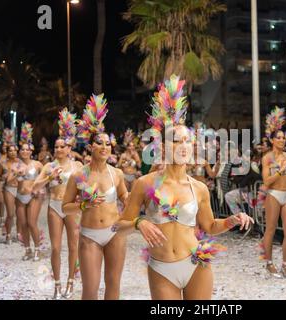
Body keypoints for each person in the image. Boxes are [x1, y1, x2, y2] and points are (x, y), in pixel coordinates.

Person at [115, 75, 253, 300]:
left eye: (187, 141)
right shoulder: (145, 183)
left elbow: (209, 226)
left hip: (196, 262)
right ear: (163, 146)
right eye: (176, 141)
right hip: (162, 268)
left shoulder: (199, 188)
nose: (183, 146)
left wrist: (231, 220)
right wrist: (140, 222)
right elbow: (118, 227)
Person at [62, 94, 129, 300]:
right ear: (91, 147)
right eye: (99, 143)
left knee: (113, 285)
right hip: (90, 235)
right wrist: (83, 204)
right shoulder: (78, 175)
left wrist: (130, 200)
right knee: (90, 290)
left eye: (108, 144)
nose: (104, 147)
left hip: (114, 232)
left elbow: (124, 195)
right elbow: (65, 207)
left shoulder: (116, 173)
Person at [33, 108, 83, 299]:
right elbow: (35, 187)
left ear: (69, 149)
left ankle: (70, 282)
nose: (59, 149)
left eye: (62, 146)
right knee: (55, 248)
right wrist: (49, 178)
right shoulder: (49, 166)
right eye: (56, 147)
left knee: (73, 247)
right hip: (54, 206)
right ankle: (57, 284)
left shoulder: (77, 166)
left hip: (71, 208)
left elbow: (86, 185)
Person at [261, 107, 286, 280]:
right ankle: (269, 263)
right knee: (270, 230)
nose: (282, 140)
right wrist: (279, 171)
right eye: (279, 138)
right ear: (272, 140)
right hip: (273, 194)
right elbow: (266, 181)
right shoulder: (268, 158)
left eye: (284, 138)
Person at [11, 122, 44, 261]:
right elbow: (9, 180)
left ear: (31, 151)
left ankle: (37, 249)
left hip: (33, 196)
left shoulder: (37, 165)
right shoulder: (15, 164)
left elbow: (46, 179)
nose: (25, 151)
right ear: (20, 151)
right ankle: (27, 249)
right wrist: (16, 173)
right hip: (19, 196)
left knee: (31, 223)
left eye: (27, 150)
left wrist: (40, 190)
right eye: (22, 149)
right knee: (23, 224)